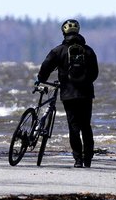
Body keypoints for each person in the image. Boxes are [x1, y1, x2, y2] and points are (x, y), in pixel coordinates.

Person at [38, 18, 99, 167]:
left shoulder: (58, 51)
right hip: (85, 94)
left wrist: (40, 79)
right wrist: (85, 82)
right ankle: (88, 159)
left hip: (68, 94)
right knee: (86, 126)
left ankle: (78, 160)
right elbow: (95, 73)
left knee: (73, 126)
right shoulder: (89, 50)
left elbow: (46, 67)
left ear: (63, 32)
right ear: (78, 32)